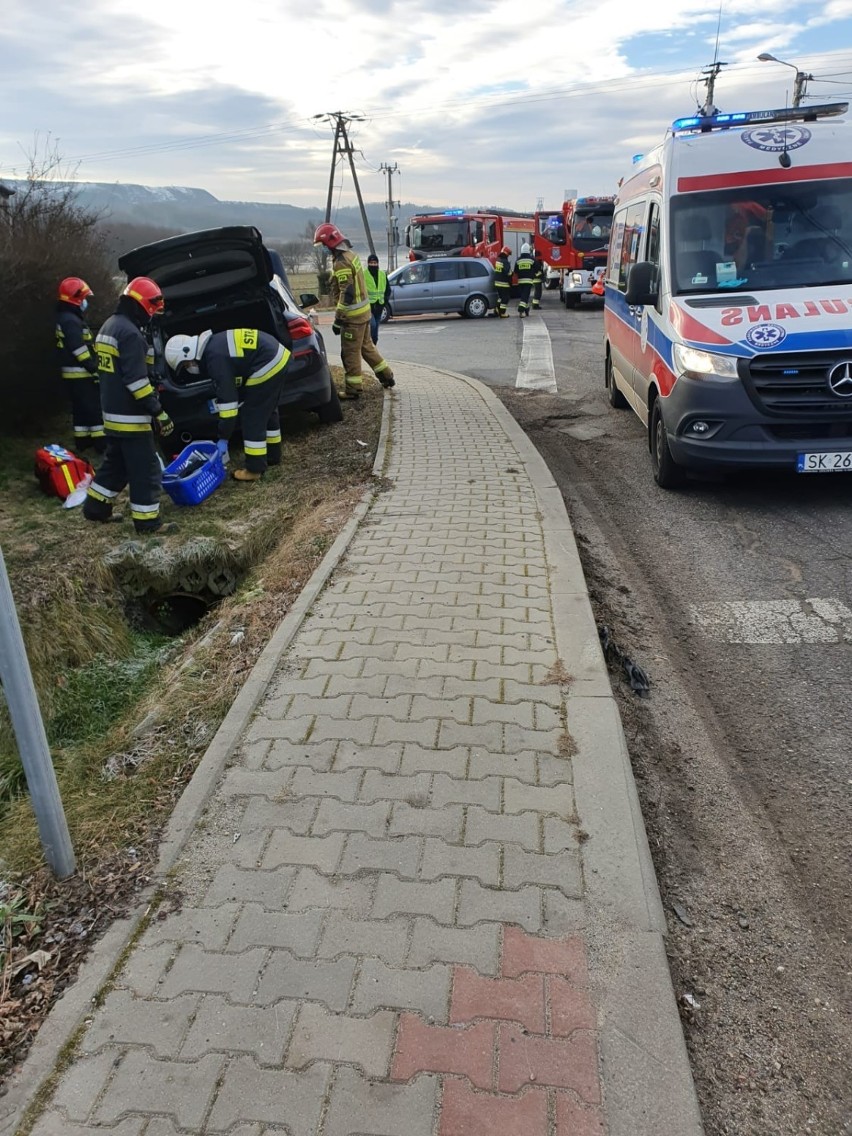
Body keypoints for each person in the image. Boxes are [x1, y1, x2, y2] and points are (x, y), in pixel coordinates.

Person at [83, 277, 176, 534]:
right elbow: (136, 383)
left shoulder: (109, 326)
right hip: (131, 418)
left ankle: (95, 508)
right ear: (143, 306)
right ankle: (148, 523)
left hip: (112, 414)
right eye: (152, 310)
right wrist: (159, 412)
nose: (152, 317)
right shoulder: (131, 335)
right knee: (145, 470)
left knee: (117, 464)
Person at [164, 328, 290, 482]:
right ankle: (273, 456)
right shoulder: (214, 346)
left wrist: (223, 438)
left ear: (187, 353)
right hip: (278, 356)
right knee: (267, 410)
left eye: (185, 365)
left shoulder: (214, 358)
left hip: (268, 362)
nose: (188, 368)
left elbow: (229, 405)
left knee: (252, 415)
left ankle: (255, 469)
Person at [313, 223, 394, 399]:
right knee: (367, 347)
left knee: (350, 353)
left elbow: (347, 292)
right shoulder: (352, 255)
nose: (323, 250)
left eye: (324, 246)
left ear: (331, 243)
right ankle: (387, 376)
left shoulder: (341, 263)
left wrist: (338, 319)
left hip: (352, 318)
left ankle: (353, 389)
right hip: (364, 313)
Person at [55, 277, 106, 454]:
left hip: (75, 374)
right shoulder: (70, 320)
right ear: (76, 299)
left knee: (81, 411)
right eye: (84, 298)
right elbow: (79, 349)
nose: (85, 302)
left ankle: (83, 442)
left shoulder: (67, 317)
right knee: (93, 409)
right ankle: (101, 444)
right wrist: (94, 368)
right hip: (81, 373)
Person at [364, 253, 390, 344]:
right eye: (371, 263)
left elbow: (387, 290)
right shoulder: (364, 274)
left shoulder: (382, 274)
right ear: (368, 263)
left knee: (376, 331)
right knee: (373, 325)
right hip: (368, 307)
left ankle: (373, 345)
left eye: (375, 263)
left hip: (379, 306)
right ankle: (368, 343)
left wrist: (384, 302)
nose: (373, 265)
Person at [514, 243, 535, 318]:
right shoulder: (532, 260)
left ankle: (526, 310)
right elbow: (537, 268)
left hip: (520, 281)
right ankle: (521, 310)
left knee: (523, 296)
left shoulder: (518, 260)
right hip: (528, 281)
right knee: (525, 297)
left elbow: (515, 271)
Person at [493, 246, 512, 317]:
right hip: (504, 283)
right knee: (505, 298)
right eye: (508, 254)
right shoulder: (505, 262)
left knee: (500, 297)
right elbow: (508, 273)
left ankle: (497, 309)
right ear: (506, 254)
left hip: (497, 283)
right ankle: (502, 313)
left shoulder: (498, 261)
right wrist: (511, 273)